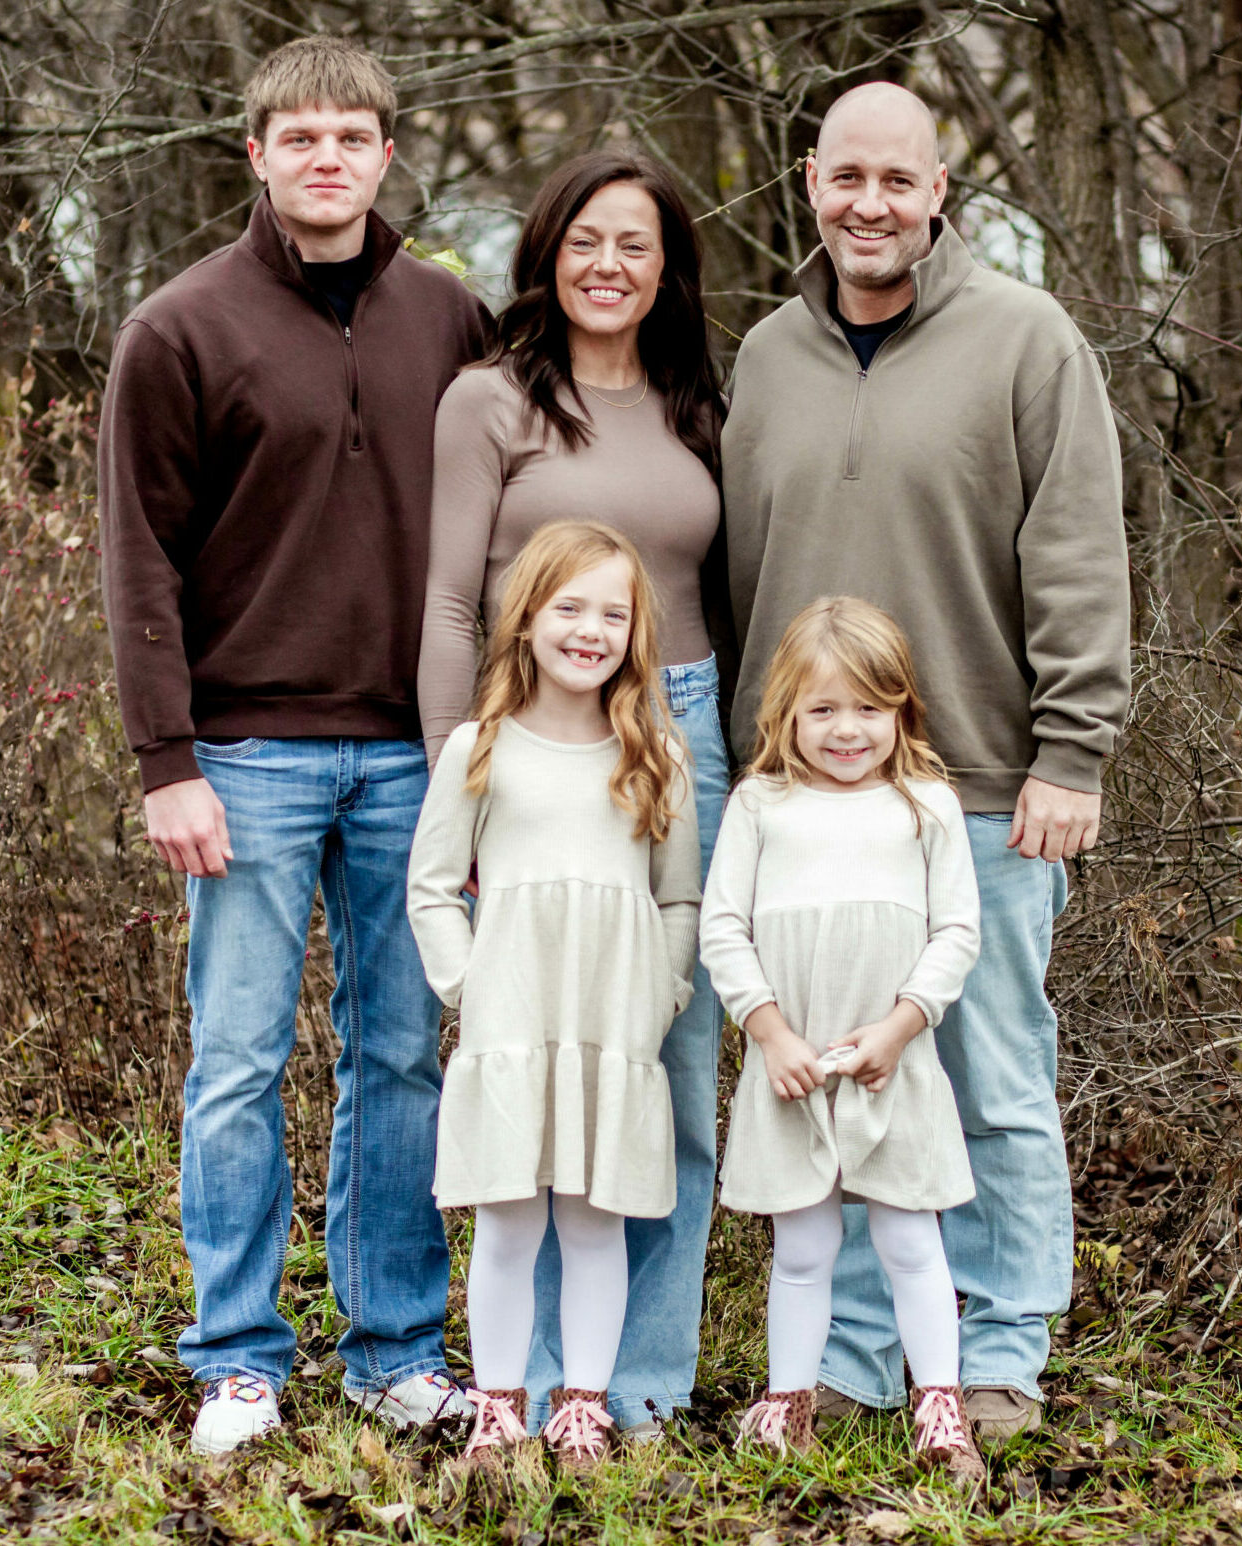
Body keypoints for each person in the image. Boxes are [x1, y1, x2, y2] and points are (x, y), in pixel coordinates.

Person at [97, 35, 494, 1456]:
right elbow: (139, 559)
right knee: (237, 1059)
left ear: (387, 153)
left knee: (401, 1058)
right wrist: (167, 760)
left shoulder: (450, 319)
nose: (328, 157)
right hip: (246, 754)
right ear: (256, 154)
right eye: (300, 136)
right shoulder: (179, 328)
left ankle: (395, 1349)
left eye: (352, 135)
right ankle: (238, 1359)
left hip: (413, 754)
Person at [721, 81, 1131, 1441]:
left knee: (995, 1084)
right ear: (808, 181)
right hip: (799, 806)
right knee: (844, 1078)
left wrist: (1071, 748)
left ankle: (1000, 1344)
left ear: (939, 190)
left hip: (982, 792)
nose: (869, 204)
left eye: (897, 179)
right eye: (846, 177)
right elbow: (734, 577)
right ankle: (850, 1358)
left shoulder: (1025, 339)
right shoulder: (767, 354)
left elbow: (1077, 553)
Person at [417, 150, 728, 1434]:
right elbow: (451, 601)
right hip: (525, 737)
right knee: (533, 1081)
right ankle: (525, 1381)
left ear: (667, 268)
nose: (608, 265)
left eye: (635, 244)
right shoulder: (488, 400)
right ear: (545, 255)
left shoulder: (696, 401)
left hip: (679, 730)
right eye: (584, 240)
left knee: (664, 1070)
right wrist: (460, 773)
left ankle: (630, 1382)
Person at [407, 521, 701, 1474]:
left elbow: (680, 897)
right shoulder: (480, 749)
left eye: (614, 614)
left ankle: (581, 1407)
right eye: (570, 608)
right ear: (526, 618)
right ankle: (498, 1410)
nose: (591, 631)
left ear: (636, 631)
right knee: (507, 1223)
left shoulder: (656, 752)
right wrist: (470, 985)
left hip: (611, 1031)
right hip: (511, 1027)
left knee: (593, 1222)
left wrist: (661, 994)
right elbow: (432, 887)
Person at [700, 598, 984, 1487]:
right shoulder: (761, 805)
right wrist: (769, 1033)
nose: (847, 729)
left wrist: (901, 1027)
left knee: (910, 1240)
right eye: (822, 709)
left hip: (891, 1064)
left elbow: (957, 933)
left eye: (868, 706)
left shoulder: (926, 806)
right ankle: (788, 1405)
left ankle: (939, 1406)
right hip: (792, 1066)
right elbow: (723, 929)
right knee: (803, 1249)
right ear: (785, 712)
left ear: (902, 709)